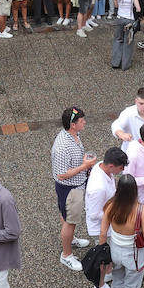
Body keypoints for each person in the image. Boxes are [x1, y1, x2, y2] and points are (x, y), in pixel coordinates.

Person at [52, 107, 96, 272]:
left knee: (67, 218)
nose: (84, 122)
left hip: (75, 185)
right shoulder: (63, 147)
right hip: (70, 188)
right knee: (70, 221)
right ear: (72, 124)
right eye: (81, 121)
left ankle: (70, 239)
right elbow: (62, 174)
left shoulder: (74, 135)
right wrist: (85, 166)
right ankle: (66, 255)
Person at [83, 147, 129, 288]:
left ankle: (108, 274)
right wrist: (117, 214)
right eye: (120, 168)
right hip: (100, 228)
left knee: (109, 255)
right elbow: (94, 214)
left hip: (108, 220)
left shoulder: (102, 166)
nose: (122, 171)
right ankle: (100, 286)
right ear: (111, 166)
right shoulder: (98, 187)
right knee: (103, 255)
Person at [110, 0, 140, 71]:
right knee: (128, 42)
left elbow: (116, 6)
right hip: (129, 20)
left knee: (118, 40)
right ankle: (125, 64)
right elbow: (138, 9)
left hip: (119, 19)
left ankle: (115, 62)